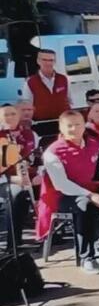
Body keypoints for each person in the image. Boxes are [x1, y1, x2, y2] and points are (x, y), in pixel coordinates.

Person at [36, 110, 99, 274]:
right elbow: (62, 185)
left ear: (84, 125)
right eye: (69, 126)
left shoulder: (94, 145)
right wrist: (91, 195)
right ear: (61, 128)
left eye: (78, 124)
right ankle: (87, 257)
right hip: (64, 196)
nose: (74, 129)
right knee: (84, 205)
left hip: (94, 190)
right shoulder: (53, 152)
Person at [0, 104, 41, 247]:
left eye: (13, 114)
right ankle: (13, 243)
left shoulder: (30, 134)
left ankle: (47, 232)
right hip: (5, 180)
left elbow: (38, 159)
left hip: (29, 177)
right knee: (17, 194)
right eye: (6, 115)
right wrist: (12, 179)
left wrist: (39, 174)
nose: (10, 118)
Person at [23, 49, 74, 121]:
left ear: (55, 62)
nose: (48, 63)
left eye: (51, 60)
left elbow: (70, 101)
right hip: (41, 122)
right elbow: (27, 105)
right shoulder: (30, 82)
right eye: (44, 60)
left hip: (63, 121)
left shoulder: (64, 79)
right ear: (38, 61)